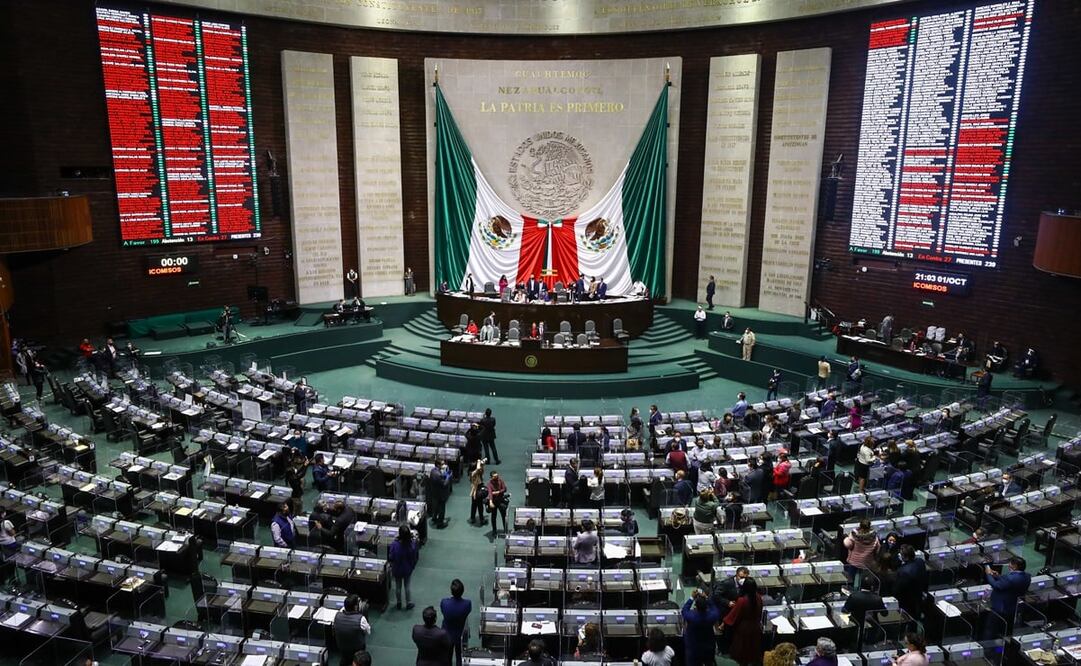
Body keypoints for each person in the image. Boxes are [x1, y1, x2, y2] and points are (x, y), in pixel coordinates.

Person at [985, 557, 1031, 636]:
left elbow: (996, 585)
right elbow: (1010, 584)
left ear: (1015, 566)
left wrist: (988, 574)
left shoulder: (1010, 578)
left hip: (1001, 608)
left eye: (1010, 564)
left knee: (991, 629)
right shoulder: (1027, 576)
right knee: (1006, 629)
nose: (1008, 565)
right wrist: (998, 576)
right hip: (1014, 607)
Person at [723, 577, 763, 666]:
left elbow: (733, 616)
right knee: (752, 651)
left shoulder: (742, 600)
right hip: (755, 627)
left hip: (744, 629)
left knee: (742, 653)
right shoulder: (759, 598)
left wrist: (724, 622)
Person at [843, 577, 886, 650]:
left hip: (855, 624)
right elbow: (885, 614)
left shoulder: (854, 596)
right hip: (871, 627)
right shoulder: (877, 599)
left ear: (860, 585)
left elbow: (845, 610)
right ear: (872, 587)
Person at [681, 589, 721, 666]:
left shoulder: (691, 616)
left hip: (693, 647)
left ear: (696, 606)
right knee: (709, 663)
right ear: (706, 607)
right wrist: (706, 597)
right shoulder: (712, 616)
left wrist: (691, 597)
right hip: (708, 646)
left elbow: (684, 610)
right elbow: (714, 608)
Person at [440, 579, 472, 666]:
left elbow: (443, 611)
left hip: (447, 635)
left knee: (447, 657)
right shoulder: (467, 604)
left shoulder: (444, 602)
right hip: (460, 635)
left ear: (451, 591)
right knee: (460, 657)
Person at [334, 594, 372, 666]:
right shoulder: (361, 619)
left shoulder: (337, 615)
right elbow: (368, 631)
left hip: (342, 648)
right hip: (357, 650)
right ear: (355, 607)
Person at [894, 544, 929, 623]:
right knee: (915, 617)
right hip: (919, 594)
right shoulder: (920, 561)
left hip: (907, 600)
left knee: (907, 619)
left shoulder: (902, 571)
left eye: (901, 554)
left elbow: (897, 589)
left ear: (905, 557)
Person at [388, 525, 419, 610]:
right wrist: (412, 566)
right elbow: (415, 557)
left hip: (397, 569)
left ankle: (399, 602)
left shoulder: (394, 544)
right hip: (407, 569)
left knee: (398, 586)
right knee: (407, 586)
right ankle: (408, 602)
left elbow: (391, 557)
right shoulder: (411, 545)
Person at [844, 519, 880, 586]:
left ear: (860, 526)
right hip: (867, 563)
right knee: (864, 582)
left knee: (850, 580)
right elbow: (877, 549)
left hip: (854, 561)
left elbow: (848, 545)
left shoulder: (854, 535)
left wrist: (846, 539)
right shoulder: (874, 537)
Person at [428, 460, 452, 528]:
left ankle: (434, 518)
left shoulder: (433, 470)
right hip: (440, 494)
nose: (443, 465)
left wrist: (444, 475)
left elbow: (440, 477)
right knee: (441, 509)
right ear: (438, 465)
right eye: (442, 464)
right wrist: (448, 477)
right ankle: (440, 524)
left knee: (436, 507)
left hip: (434, 493)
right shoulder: (438, 474)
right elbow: (444, 484)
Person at [468, 460, 487, 525]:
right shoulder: (473, 473)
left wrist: (482, 463)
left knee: (474, 504)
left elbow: (481, 469)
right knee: (479, 505)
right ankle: (481, 519)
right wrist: (478, 462)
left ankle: (472, 518)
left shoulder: (476, 472)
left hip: (475, 489)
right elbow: (478, 468)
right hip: (477, 489)